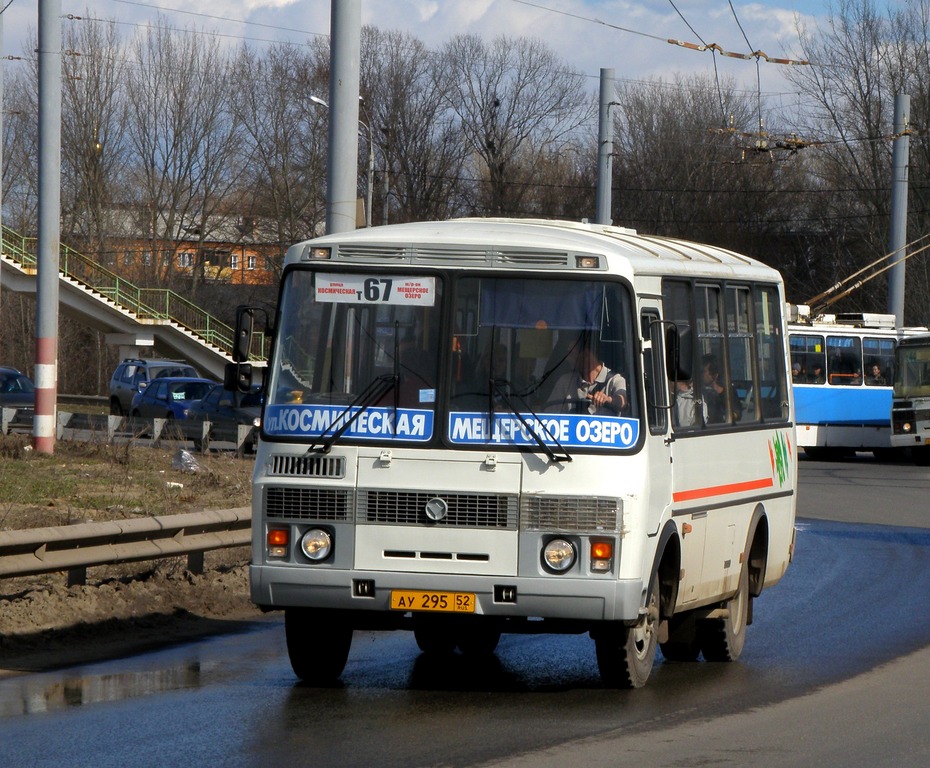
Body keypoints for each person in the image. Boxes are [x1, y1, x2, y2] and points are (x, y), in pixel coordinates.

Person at [548, 343, 627, 415]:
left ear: (586, 355)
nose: (567, 359)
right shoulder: (565, 381)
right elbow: (549, 414)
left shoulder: (615, 380)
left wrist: (608, 400)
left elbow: (623, 401)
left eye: (571, 354)